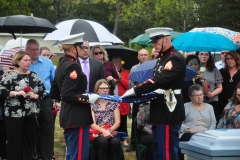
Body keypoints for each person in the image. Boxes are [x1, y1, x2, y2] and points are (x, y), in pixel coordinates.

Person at [122, 27, 186, 160]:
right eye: (153, 41)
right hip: (158, 108)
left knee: (166, 151)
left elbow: (158, 80)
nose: (154, 44)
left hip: (169, 109)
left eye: (156, 40)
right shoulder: (162, 58)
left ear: (166, 39)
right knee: (158, 149)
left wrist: (134, 90)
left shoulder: (174, 58)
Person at [50, 33, 99, 160]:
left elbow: (55, 91)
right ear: (73, 48)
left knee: (72, 154)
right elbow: (67, 94)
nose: (83, 49)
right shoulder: (73, 66)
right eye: (80, 47)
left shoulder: (61, 63)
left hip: (69, 115)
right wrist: (87, 98)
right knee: (79, 156)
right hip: (77, 117)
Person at [0, 51, 46, 160]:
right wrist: (17, 93)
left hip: (31, 113)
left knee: (29, 141)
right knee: (14, 141)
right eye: (25, 60)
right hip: (14, 114)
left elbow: (43, 91)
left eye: (29, 60)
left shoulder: (34, 76)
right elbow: (1, 90)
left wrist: (35, 95)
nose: (28, 62)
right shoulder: (10, 76)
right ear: (18, 61)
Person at [25, 39, 57, 160]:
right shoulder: (25, 63)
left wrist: (56, 100)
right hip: (28, 99)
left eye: (37, 49)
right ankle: (32, 154)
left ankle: (46, 156)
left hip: (45, 98)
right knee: (31, 128)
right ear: (27, 50)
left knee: (47, 127)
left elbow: (54, 82)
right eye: (32, 50)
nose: (35, 52)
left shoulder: (48, 63)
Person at [179, 84, 216, 160]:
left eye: (201, 94)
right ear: (191, 97)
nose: (200, 97)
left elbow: (213, 122)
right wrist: (188, 129)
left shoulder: (209, 107)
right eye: (196, 95)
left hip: (206, 134)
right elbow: (178, 123)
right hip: (188, 134)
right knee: (196, 139)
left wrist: (209, 131)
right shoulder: (186, 106)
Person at [90, 79, 121, 160]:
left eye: (107, 88)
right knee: (103, 142)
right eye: (102, 88)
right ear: (97, 90)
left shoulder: (114, 103)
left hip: (110, 131)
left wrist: (109, 130)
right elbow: (92, 124)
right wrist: (103, 131)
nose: (105, 90)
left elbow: (117, 122)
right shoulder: (92, 104)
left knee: (115, 142)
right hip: (97, 132)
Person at [126, 48, 149, 152]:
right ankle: (134, 143)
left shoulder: (153, 67)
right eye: (141, 55)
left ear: (148, 56)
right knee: (136, 120)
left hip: (150, 98)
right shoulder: (134, 68)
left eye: (145, 55)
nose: (143, 57)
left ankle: (146, 140)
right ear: (138, 57)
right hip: (138, 97)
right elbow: (131, 85)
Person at [196, 51, 223, 117]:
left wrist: (212, 94)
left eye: (206, 54)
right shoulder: (194, 69)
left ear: (209, 57)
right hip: (196, 100)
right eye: (201, 54)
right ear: (197, 55)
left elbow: (219, 87)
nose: (204, 56)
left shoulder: (214, 70)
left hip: (212, 100)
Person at [112, 56, 130, 146]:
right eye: (114, 63)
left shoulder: (125, 72)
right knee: (113, 120)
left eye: (117, 62)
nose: (116, 64)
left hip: (122, 100)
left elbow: (128, 85)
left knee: (123, 120)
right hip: (112, 99)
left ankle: (124, 139)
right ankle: (115, 137)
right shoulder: (110, 72)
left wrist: (120, 78)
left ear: (120, 64)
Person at [218, 51, 240, 115]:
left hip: (237, 100)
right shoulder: (222, 71)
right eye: (227, 59)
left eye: (231, 58)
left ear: (236, 59)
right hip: (222, 100)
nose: (229, 60)